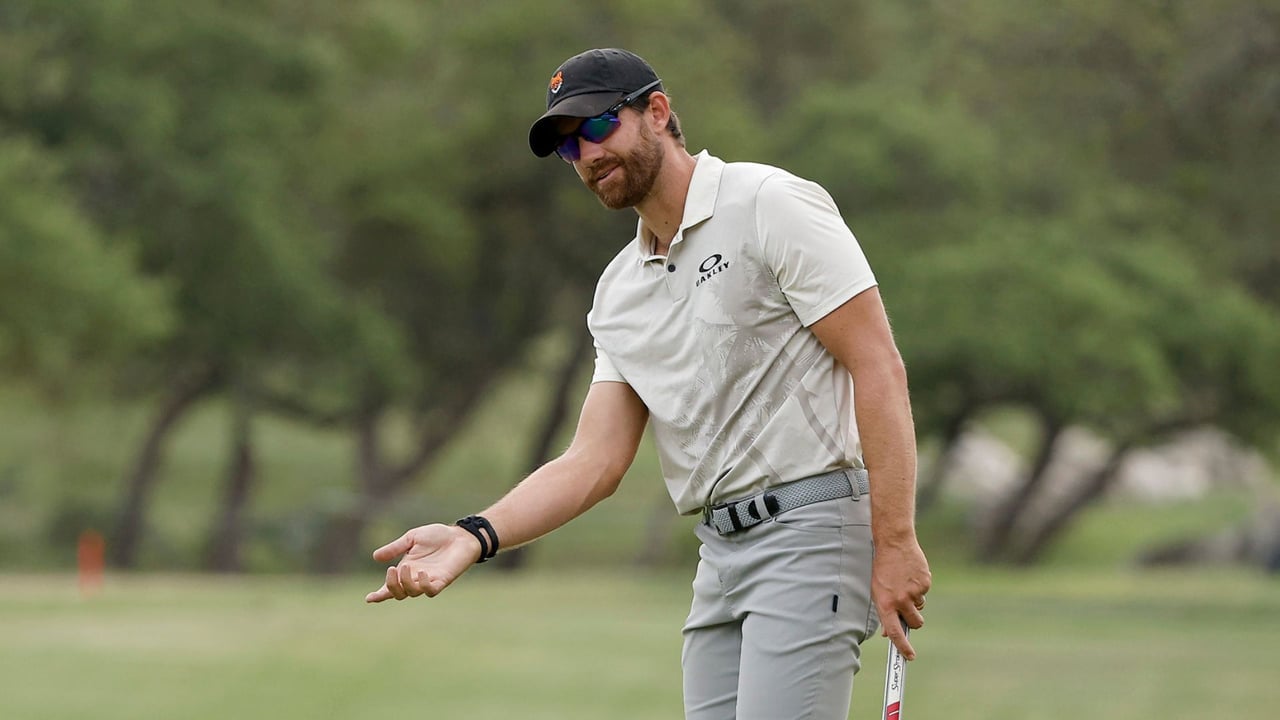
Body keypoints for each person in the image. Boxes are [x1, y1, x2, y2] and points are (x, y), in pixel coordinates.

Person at [365, 47, 931, 720]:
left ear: (657, 112)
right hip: (720, 554)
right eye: (568, 145)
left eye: (597, 126)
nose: (586, 154)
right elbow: (594, 460)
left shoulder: (767, 204)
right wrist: (473, 535)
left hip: (812, 530)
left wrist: (896, 541)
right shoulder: (619, 291)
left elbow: (877, 365)